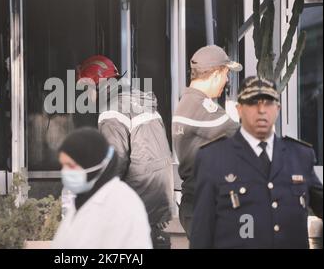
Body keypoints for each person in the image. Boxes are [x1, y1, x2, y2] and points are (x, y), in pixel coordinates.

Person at [190, 76, 323, 249]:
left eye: (268, 103)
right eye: (253, 103)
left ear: (278, 108)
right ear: (239, 109)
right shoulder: (214, 158)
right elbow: (202, 233)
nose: (261, 110)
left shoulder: (299, 156)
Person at [76, 55, 174, 249]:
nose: (86, 95)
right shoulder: (140, 101)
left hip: (137, 199)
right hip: (158, 197)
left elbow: (116, 161)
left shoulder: (112, 110)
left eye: (86, 88)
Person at [172, 45, 242, 237]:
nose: (227, 80)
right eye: (226, 74)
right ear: (216, 73)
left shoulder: (186, 102)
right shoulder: (201, 108)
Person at [52, 127, 152, 249]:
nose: (65, 172)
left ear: (90, 163)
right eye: (63, 165)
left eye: (71, 166)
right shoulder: (81, 200)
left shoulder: (123, 203)